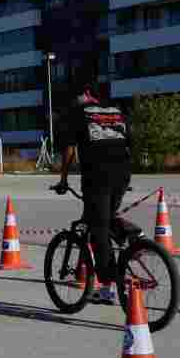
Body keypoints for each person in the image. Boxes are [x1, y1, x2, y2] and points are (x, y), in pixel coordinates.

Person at [54, 80, 133, 304]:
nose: (73, 102)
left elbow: (70, 149)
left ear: (86, 94)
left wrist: (63, 180)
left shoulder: (77, 113)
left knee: (97, 230)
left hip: (98, 176)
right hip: (122, 172)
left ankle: (107, 288)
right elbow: (129, 142)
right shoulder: (115, 110)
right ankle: (132, 239)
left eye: (75, 97)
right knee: (106, 218)